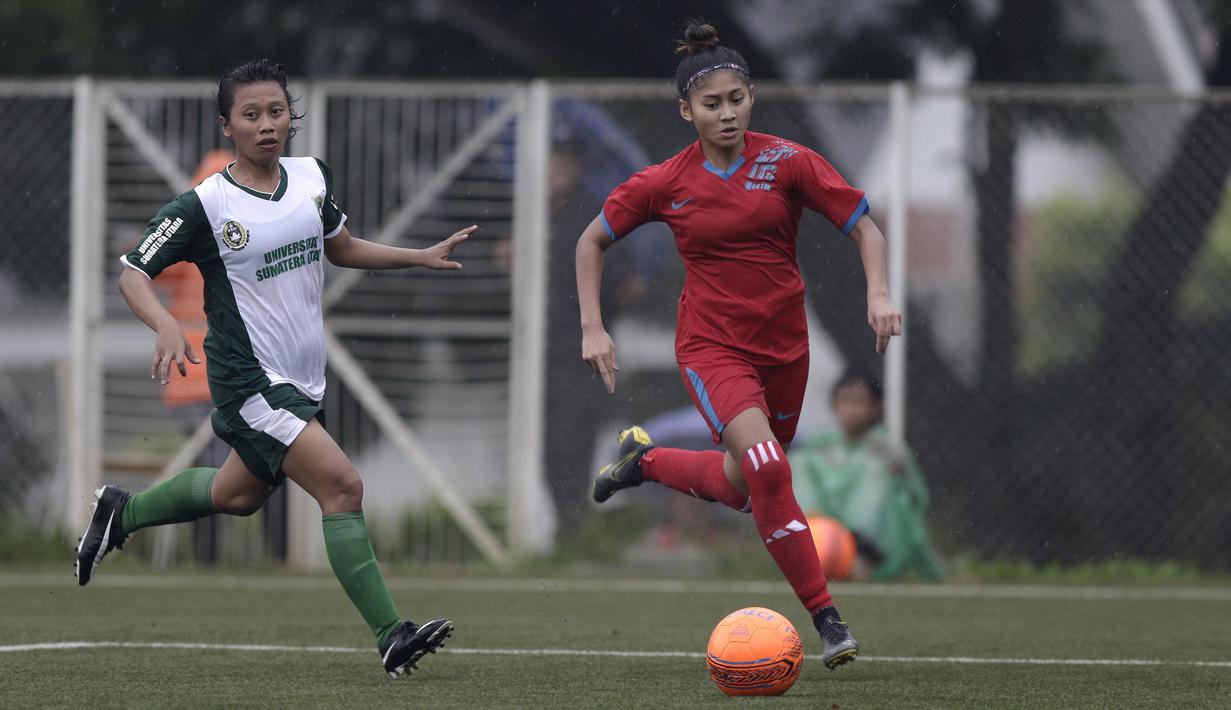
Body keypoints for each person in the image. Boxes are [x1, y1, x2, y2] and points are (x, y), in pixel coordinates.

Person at [74, 59, 471, 680]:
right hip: (249, 382)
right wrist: (166, 324)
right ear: (226, 125)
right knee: (343, 487)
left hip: (301, 379)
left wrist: (416, 257)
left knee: (236, 496)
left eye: (276, 111)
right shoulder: (203, 204)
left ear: (292, 116)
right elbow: (132, 274)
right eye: (250, 115)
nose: (266, 124)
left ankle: (120, 513)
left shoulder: (312, 178)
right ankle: (391, 634)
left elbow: (340, 247)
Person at [576, 22, 901, 670]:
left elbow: (864, 228)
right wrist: (592, 326)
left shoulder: (788, 162)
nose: (725, 113)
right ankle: (828, 620)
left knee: (742, 485)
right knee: (770, 469)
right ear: (685, 111)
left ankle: (643, 463)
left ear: (751, 97)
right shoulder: (665, 181)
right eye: (710, 103)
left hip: (786, 350)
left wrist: (878, 293)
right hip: (711, 348)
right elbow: (591, 241)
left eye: (735, 99)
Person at [791, 368, 944, 581]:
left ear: (875, 407)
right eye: (846, 402)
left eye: (860, 402)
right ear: (834, 406)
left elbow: (916, 499)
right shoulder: (819, 447)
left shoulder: (888, 450)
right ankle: (807, 545)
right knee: (797, 462)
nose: (852, 410)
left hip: (879, 549)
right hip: (824, 541)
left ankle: (859, 555)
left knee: (874, 469)